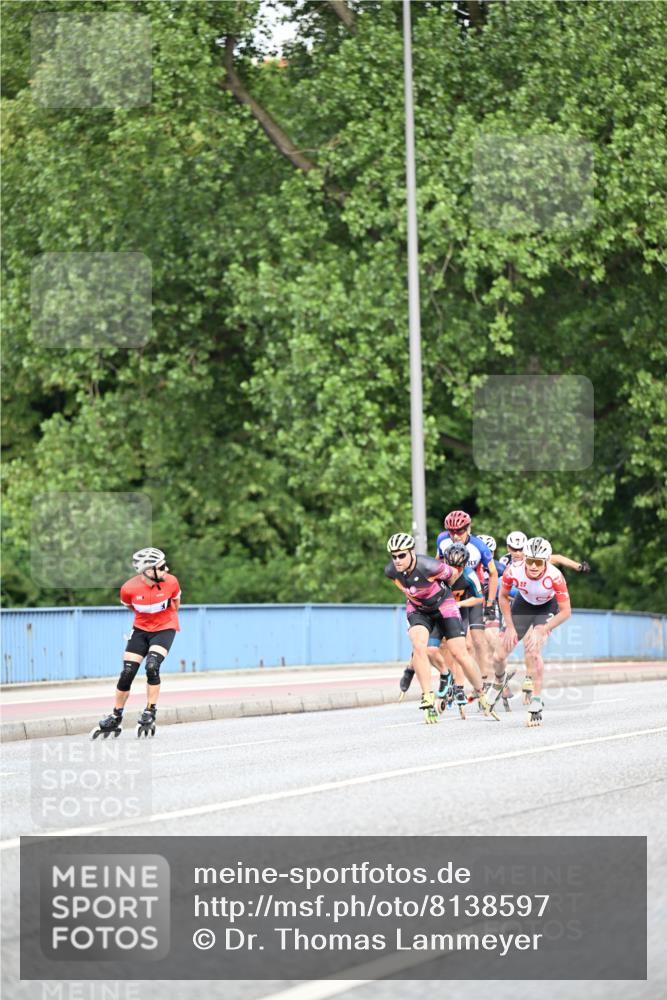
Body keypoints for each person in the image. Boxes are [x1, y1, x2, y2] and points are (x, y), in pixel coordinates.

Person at [385, 533, 495, 724]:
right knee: (420, 646)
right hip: (418, 609)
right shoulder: (391, 571)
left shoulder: (430, 565)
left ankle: (480, 693)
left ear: (411, 552)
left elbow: (454, 575)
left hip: (444, 605)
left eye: (401, 555)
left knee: (460, 654)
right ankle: (427, 694)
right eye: (393, 556)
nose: (397, 560)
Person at [90, 548, 181, 739]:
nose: (167, 568)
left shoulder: (171, 582)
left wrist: (165, 620)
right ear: (148, 571)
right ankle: (116, 716)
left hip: (165, 628)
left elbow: (176, 604)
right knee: (127, 672)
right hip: (140, 630)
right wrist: (145, 623)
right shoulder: (128, 589)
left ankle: (150, 710)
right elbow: (131, 607)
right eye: (162, 566)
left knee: (152, 666)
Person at [494, 537, 572, 727]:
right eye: (530, 561)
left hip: (546, 607)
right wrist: (511, 626)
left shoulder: (555, 576)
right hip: (524, 604)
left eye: (539, 562)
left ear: (547, 561)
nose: (534, 566)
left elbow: (566, 611)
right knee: (498, 656)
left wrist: (544, 629)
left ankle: (536, 701)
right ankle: (499, 681)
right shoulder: (514, 570)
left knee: (533, 649)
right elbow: (502, 597)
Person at [436, 510, 498, 684]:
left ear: (468, 528)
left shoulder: (479, 547)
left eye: (460, 531)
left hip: (472, 590)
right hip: (451, 592)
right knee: (448, 643)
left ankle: (484, 679)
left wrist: (491, 603)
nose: (455, 536)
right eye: (451, 531)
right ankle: (452, 679)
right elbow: (438, 562)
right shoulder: (442, 539)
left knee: (477, 640)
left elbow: (492, 574)